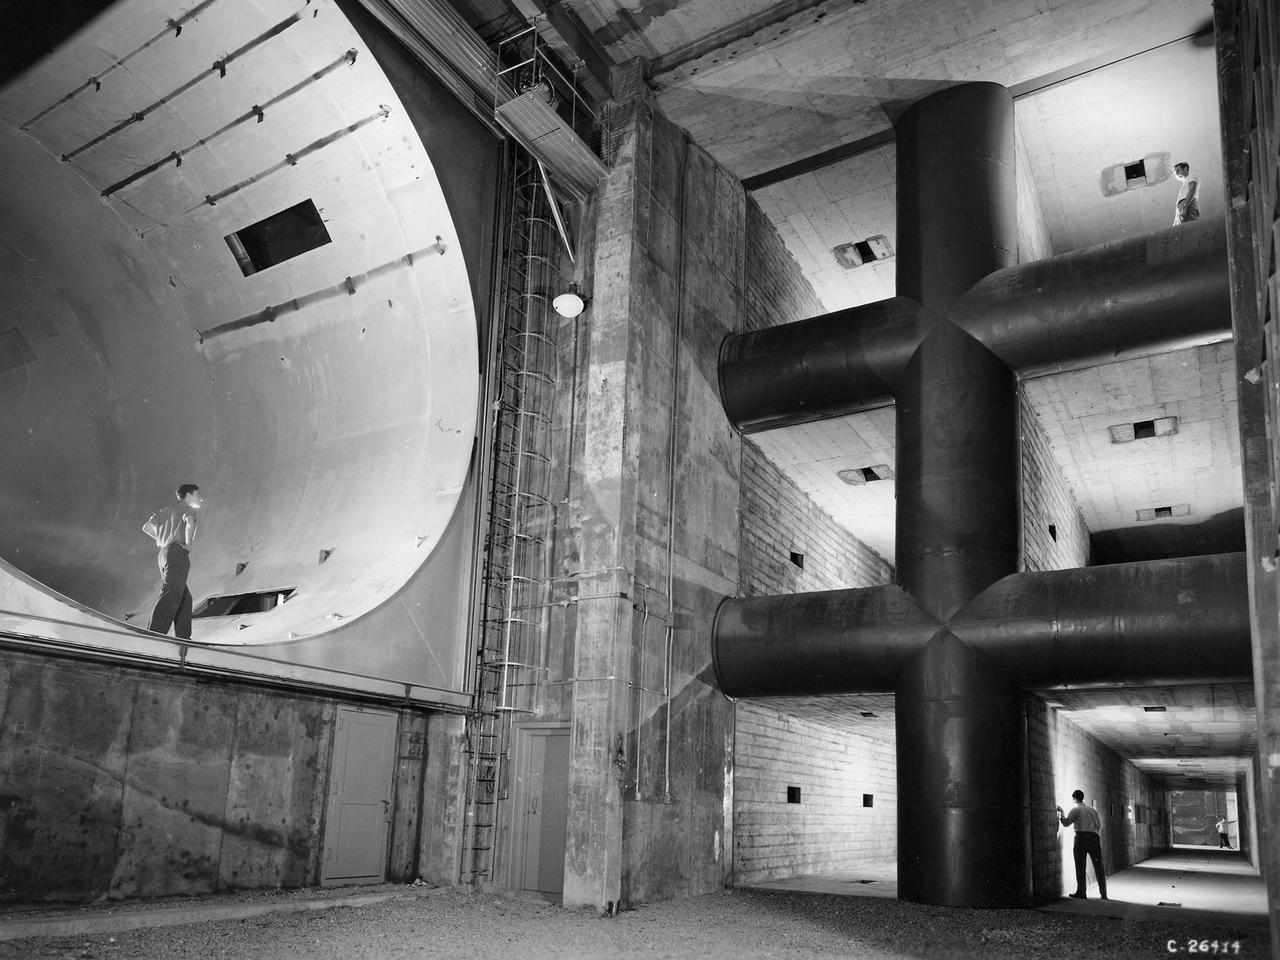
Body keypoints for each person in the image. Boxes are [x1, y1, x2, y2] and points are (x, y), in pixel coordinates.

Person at [142, 483, 204, 639]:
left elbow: (147, 528)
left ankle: (183, 637)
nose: (200, 498)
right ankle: (154, 634)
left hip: (163, 554)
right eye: (197, 494)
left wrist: (164, 539)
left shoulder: (164, 511)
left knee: (184, 596)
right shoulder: (188, 509)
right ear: (188, 496)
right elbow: (190, 524)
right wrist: (188, 545)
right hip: (177, 552)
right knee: (171, 593)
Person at [1057, 789, 1108, 900]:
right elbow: (1100, 825)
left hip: (1081, 837)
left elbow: (1066, 823)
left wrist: (1062, 813)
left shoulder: (1076, 810)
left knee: (1080, 865)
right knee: (1098, 865)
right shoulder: (1093, 810)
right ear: (1083, 797)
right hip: (1094, 837)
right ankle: (1103, 893)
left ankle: (1081, 892)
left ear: (1074, 798)